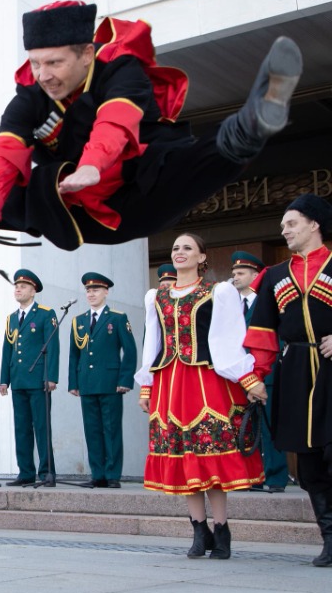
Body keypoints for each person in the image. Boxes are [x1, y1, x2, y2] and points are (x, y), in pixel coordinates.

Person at [0, 2, 303, 252]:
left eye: (53, 62)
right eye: (35, 62)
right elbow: (4, 155)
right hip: (73, 208)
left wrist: (93, 166)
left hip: (137, 191)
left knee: (194, 160)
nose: (43, 74)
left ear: (86, 54)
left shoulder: (121, 72)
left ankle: (255, 120)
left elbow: (117, 120)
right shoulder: (30, 96)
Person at [136, 233, 265, 560]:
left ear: (202, 257)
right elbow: (152, 343)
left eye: (188, 248)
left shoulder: (218, 292)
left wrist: (247, 378)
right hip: (169, 381)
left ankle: (221, 529)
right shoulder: (157, 296)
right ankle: (198, 528)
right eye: (176, 248)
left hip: (206, 381)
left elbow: (230, 338)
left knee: (210, 456)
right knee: (182, 456)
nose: (180, 253)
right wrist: (146, 384)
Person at [244, 194, 332, 566]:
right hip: (296, 369)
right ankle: (329, 539)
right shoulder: (275, 276)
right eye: (283, 225)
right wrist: (255, 377)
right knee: (310, 462)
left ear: (314, 224)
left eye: (291, 223)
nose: (285, 230)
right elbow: (262, 332)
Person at [67, 273, 136, 489]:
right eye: (88, 290)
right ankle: (97, 473)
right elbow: (74, 354)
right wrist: (73, 382)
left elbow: (130, 351)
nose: (91, 294)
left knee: (111, 429)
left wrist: (125, 379)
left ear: (106, 292)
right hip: (87, 383)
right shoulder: (78, 321)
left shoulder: (117, 317)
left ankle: (112, 474)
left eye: (96, 290)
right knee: (92, 429)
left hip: (110, 382)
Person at [229, 251, 289, 494]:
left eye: (241, 273)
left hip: (269, 373)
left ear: (256, 274)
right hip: (241, 377)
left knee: (270, 425)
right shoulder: (232, 306)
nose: (235, 277)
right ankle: (252, 476)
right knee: (246, 427)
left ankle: (275, 477)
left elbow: (280, 335)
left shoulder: (270, 301)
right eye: (233, 273)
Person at [0, 270, 58, 486]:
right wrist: (4, 379)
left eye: (23, 286)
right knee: (21, 428)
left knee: (42, 427)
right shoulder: (11, 319)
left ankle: (47, 473)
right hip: (19, 380)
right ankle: (25, 472)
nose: (18, 289)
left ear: (33, 291)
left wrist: (51, 376)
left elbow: (53, 347)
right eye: (16, 286)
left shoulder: (45, 314)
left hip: (38, 380)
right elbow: (7, 351)